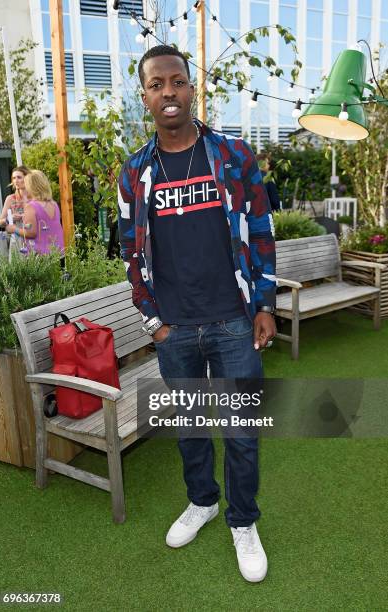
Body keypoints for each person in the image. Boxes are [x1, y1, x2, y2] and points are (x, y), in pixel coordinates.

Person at [118, 45, 276, 583]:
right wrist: (152, 322)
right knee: (188, 428)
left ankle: (243, 520)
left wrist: (265, 303)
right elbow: (130, 253)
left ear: (191, 88)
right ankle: (203, 501)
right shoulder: (136, 171)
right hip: (175, 328)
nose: (169, 92)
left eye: (177, 81)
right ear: (145, 96)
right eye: (156, 84)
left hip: (233, 321)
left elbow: (260, 229)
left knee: (240, 432)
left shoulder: (232, 156)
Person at [6, 170, 64, 256]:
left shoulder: (31, 206)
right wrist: (23, 217)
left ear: (31, 187)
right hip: (59, 253)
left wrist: (14, 229)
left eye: (26, 184)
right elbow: (46, 222)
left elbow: (31, 233)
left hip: (41, 257)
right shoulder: (53, 204)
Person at [0, 165, 30, 258]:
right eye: (14, 178)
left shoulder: (34, 197)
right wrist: (9, 218)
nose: (16, 180)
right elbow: (1, 222)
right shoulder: (10, 198)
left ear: (27, 178)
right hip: (17, 240)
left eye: (19, 177)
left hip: (33, 238)